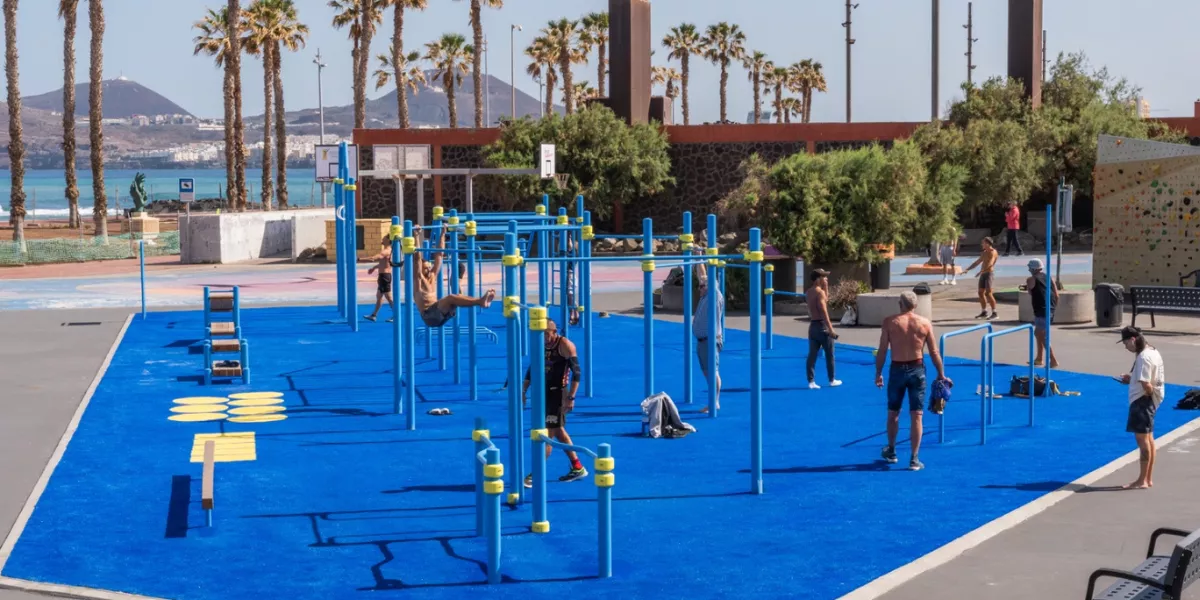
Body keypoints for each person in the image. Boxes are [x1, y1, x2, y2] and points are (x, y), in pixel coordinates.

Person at [874, 291, 952, 471]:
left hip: (897, 369)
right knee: (917, 415)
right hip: (917, 370)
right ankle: (914, 459)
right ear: (915, 305)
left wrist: (878, 372)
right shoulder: (924, 323)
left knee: (893, 413)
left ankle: (892, 451)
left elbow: (882, 350)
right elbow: (934, 352)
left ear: (900, 304)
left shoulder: (890, 322)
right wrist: (941, 374)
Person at [523, 319, 587, 485]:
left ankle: (536, 473)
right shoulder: (540, 343)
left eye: (546, 334)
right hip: (544, 393)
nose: (544, 337)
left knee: (547, 434)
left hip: (558, 394)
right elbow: (532, 368)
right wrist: (523, 390)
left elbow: (577, 373)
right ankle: (577, 467)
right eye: (541, 334)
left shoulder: (565, 345)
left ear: (554, 331)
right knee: (558, 431)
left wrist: (571, 397)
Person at [413, 224, 496, 327]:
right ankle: (480, 301)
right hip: (429, 316)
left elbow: (439, 255)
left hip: (439, 312)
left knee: (456, 296)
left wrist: (443, 233)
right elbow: (417, 259)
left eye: (429, 266)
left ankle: (480, 301)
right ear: (421, 269)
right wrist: (416, 236)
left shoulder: (432, 275)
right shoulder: (419, 279)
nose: (429, 269)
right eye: (426, 268)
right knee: (451, 297)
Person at [1115, 326, 1165, 489]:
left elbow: (1146, 383)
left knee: (1142, 441)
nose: (1126, 347)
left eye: (1125, 343)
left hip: (1142, 401)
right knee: (1149, 439)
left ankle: (1142, 480)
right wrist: (1132, 379)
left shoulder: (1143, 357)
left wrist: (1147, 395)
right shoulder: (1153, 352)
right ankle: (1148, 478)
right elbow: (1146, 377)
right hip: (1148, 401)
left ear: (1133, 340)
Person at [693, 257, 725, 413]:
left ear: (709, 286)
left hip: (710, 340)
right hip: (702, 341)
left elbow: (708, 278)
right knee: (706, 371)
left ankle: (715, 401)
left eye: (701, 286)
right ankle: (713, 399)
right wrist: (698, 257)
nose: (699, 288)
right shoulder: (705, 296)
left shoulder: (715, 296)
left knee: (713, 371)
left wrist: (709, 259)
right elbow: (702, 275)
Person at [805, 268, 842, 389]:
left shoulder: (809, 292)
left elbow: (824, 300)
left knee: (812, 354)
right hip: (822, 326)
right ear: (817, 279)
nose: (825, 278)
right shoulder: (819, 292)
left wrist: (825, 286)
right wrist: (831, 329)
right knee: (830, 354)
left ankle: (811, 381)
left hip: (813, 326)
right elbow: (824, 310)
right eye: (823, 277)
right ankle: (831, 380)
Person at [1027, 258, 1059, 367]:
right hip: (1049, 308)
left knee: (1041, 334)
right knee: (1038, 333)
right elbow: (1056, 294)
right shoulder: (1049, 277)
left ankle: (1053, 360)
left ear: (1032, 268)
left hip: (1041, 309)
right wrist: (1053, 308)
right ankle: (1039, 358)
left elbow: (1031, 292)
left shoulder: (1031, 279)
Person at [962, 237, 999, 320]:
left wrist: (981, 271)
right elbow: (977, 262)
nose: (982, 244)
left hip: (989, 274)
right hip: (983, 274)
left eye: (983, 243)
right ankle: (984, 312)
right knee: (980, 292)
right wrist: (968, 269)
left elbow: (990, 264)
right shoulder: (984, 252)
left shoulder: (993, 252)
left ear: (988, 244)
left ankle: (995, 313)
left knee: (988, 293)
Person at [365, 235, 395, 323]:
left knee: (388, 297)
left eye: (384, 237)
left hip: (385, 276)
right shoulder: (387, 251)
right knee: (379, 296)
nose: (382, 238)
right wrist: (374, 267)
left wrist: (358, 259)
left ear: (388, 240)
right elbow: (384, 264)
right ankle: (374, 315)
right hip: (383, 275)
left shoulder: (386, 251)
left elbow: (373, 258)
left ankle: (396, 315)